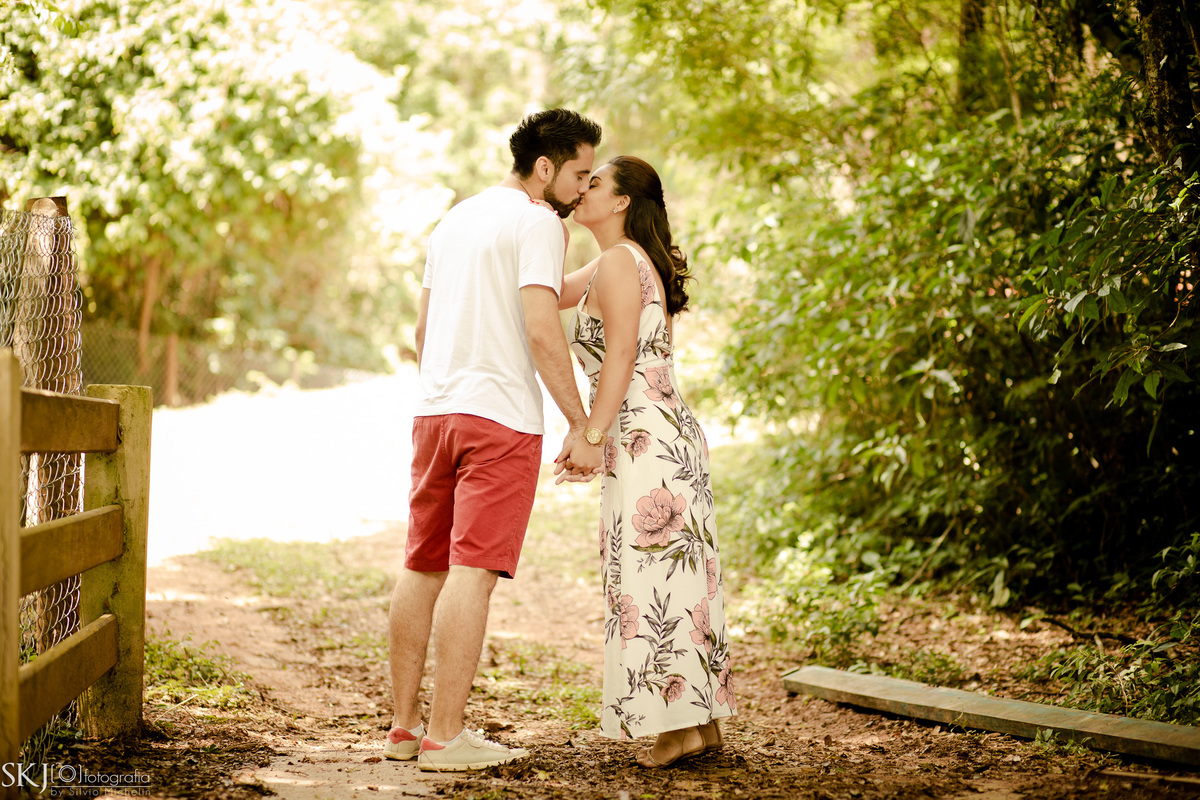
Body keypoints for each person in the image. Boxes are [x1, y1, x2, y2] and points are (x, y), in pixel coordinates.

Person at [384, 108, 603, 772]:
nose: (584, 190)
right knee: (472, 573)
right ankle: (446, 739)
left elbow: (426, 329)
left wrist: (613, 264)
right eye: (579, 175)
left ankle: (402, 730)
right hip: (500, 419)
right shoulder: (538, 221)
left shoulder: (457, 219)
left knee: (423, 565)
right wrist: (581, 422)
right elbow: (540, 328)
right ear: (545, 168)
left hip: (436, 413)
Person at [555, 156, 736, 768]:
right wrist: (546, 218)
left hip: (642, 434)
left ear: (623, 200)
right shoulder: (625, 259)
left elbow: (623, 351)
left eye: (595, 184)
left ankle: (673, 728)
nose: (583, 190)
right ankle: (700, 720)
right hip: (668, 430)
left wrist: (591, 431)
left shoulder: (616, 261)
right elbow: (546, 291)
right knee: (681, 575)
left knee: (651, 576)